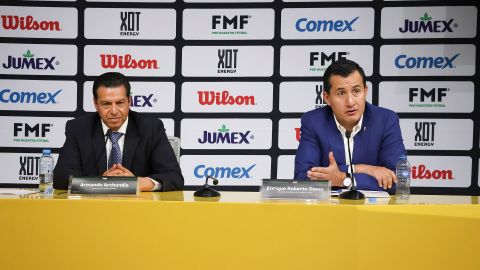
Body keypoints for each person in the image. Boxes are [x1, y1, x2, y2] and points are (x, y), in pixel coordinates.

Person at [53, 72, 183, 191]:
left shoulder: (151, 128)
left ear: (129, 101)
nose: (114, 111)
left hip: (140, 210)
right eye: (106, 104)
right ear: (95, 104)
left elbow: (174, 177)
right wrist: (100, 183)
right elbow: (61, 178)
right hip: (93, 209)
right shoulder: (79, 128)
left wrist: (137, 183)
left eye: (120, 103)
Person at [294, 59, 406, 193]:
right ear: (327, 98)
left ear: (365, 91)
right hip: (329, 211)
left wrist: (342, 179)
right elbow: (303, 180)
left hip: (372, 211)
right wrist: (364, 169)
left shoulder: (386, 120)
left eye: (356, 91)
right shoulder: (313, 122)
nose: (351, 102)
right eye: (341, 93)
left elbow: (398, 181)